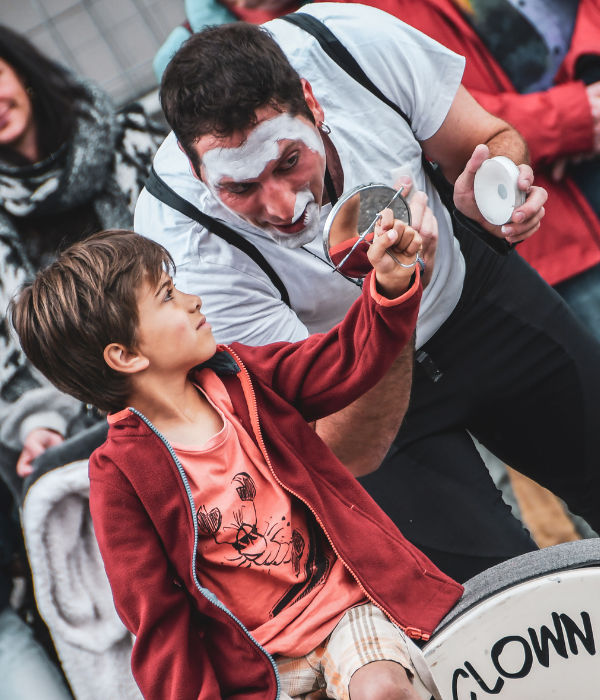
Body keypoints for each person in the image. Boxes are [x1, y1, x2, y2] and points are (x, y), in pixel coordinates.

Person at [134, 4, 600, 584]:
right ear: (199, 173)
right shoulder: (186, 243)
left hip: (470, 294)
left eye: (289, 161)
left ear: (313, 100)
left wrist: (496, 189)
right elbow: (346, 447)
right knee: (496, 594)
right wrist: (392, 305)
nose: (281, 206)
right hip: (357, 386)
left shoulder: (350, 43)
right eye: (241, 187)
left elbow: (489, 138)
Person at [10, 226, 463, 700]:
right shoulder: (119, 476)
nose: (193, 300)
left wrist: (388, 290)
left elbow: (342, 361)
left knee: (383, 691)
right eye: (167, 296)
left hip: (346, 611)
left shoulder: (243, 377)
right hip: (257, 668)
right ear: (125, 356)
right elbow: (159, 621)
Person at [0, 23, 165, 697]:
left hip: (190, 395)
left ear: (18, 67)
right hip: (94, 449)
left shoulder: (130, 140)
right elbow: (9, 372)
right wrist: (35, 425)